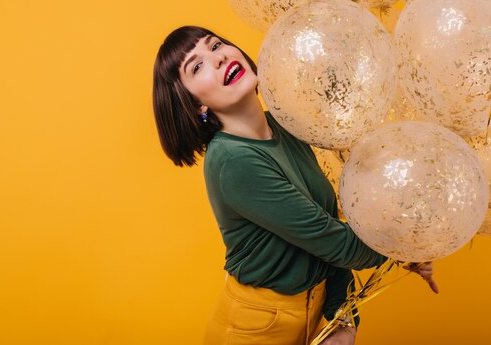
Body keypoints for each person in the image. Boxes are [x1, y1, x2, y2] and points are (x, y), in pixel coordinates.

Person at [152, 25, 438, 345]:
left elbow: (325, 232)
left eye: (216, 46)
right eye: (198, 65)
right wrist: (405, 246)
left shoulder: (282, 125)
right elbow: (334, 243)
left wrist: (343, 319)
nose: (217, 58)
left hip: (310, 317)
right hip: (253, 332)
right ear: (195, 106)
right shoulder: (232, 160)